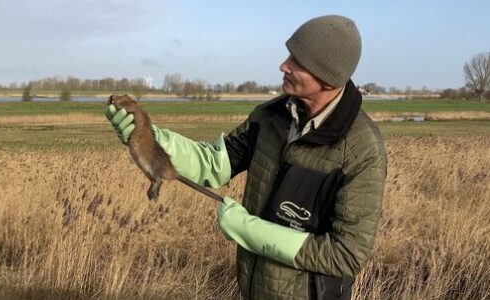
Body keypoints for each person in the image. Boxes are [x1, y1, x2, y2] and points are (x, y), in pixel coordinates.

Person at [106, 15, 387, 300]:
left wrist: (250, 232)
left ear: (327, 78)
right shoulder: (268, 117)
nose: (284, 65)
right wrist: (148, 136)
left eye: (298, 62)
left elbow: (346, 255)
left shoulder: (362, 151)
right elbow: (214, 165)